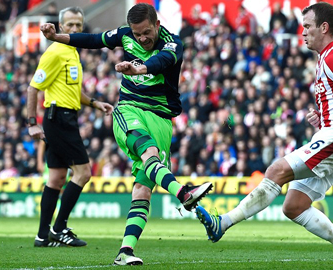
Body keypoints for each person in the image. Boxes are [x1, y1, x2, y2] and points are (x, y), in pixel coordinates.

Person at [195, 2, 333, 270]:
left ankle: (223, 223)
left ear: (324, 28)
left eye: (308, 27)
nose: (303, 33)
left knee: (276, 170)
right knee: (294, 205)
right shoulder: (327, 58)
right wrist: (323, 118)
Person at [39, 3, 213, 265]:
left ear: (156, 24)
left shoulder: (173, 43)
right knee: (149, 154)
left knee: (143, 190)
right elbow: (93, 39)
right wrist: (56, 37)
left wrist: (139, 68)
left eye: (146, 32)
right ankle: (184, 193)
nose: (141, 38)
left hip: (162, 120)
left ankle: (125, 251)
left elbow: (160, 61)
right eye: (137, 33)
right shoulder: (125, 34)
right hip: (130, 111)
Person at [27, 6, 114, 248]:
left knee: (55, 178)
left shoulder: (72, 51)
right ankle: (59, 228)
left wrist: (96, 103)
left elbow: (73, 91)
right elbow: (33, 88)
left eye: (78, 25)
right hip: (59, 120)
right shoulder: (56, 52)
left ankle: (42, 236)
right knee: (84, 173)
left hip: (64, 117)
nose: (75, 29)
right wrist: (32, 123)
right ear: (61, 26)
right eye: (70, 25)